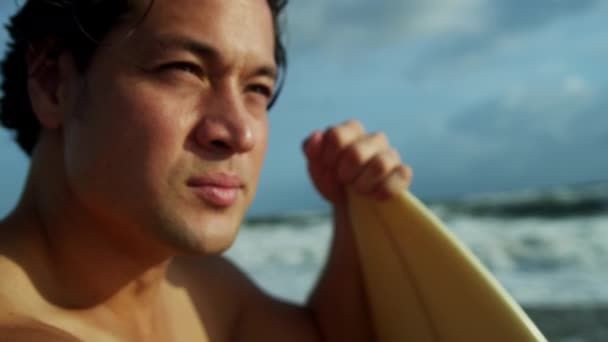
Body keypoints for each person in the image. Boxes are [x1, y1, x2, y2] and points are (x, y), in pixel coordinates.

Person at [0, 0, 412, 340]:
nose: (239, 132)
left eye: (257, 89)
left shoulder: (199, 288)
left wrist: (352, 208)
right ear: (53, 82)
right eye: (184, 69)